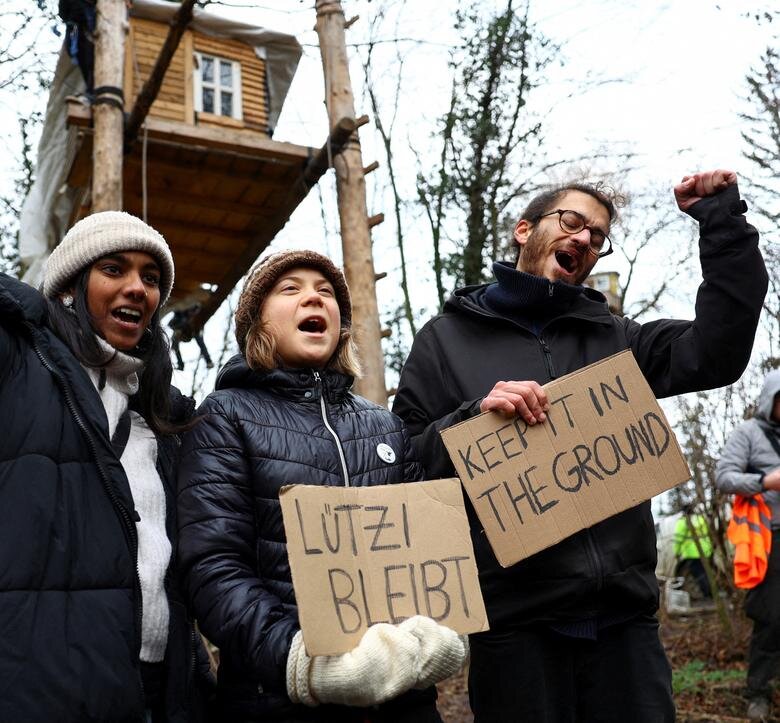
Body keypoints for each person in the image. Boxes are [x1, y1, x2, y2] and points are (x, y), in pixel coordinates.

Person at [393, 169, 768, 722]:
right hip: (515, 632)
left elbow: (717, 350)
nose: (585, 239)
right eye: (572, 222)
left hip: (626, 631)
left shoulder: (617, 338)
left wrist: (721, 223)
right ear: (525, 230)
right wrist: (473, 418)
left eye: (597, 237)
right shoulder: (443, 341)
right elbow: (407, 462)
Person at [176, 250, 468, 723]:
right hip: (276, 700)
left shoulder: (387, 428)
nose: (314, 296)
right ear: (256, 322)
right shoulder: (223, 416)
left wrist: (442, 632)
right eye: (290, 289)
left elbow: (430, 556)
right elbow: (213, 567)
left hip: (404, 705)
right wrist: (299, 662)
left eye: (326, 292)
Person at [0, 211, 213, 722]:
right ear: (72, 286)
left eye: (151, 277)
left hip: (159, 689)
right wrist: (25, 305)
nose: (137, 288)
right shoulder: (18, 370)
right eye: (114, 270)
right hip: (45, 688)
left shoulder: (167, 415)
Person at [715, 370, 780, 721]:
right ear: (771, 400)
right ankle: (758, 694)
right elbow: (723, 477)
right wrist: (764, 480)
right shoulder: (748, 434)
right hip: (768, 537)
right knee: (771, 619)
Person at [673, 505, 714, 599]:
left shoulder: (683, 522)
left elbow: (678, 538)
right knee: (706, 572)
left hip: (691, 552)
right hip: (706, 550)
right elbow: (707, 532)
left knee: (698, 574)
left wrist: (677, 552)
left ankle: (707, 594)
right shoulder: (701, 519)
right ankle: (711, 592)